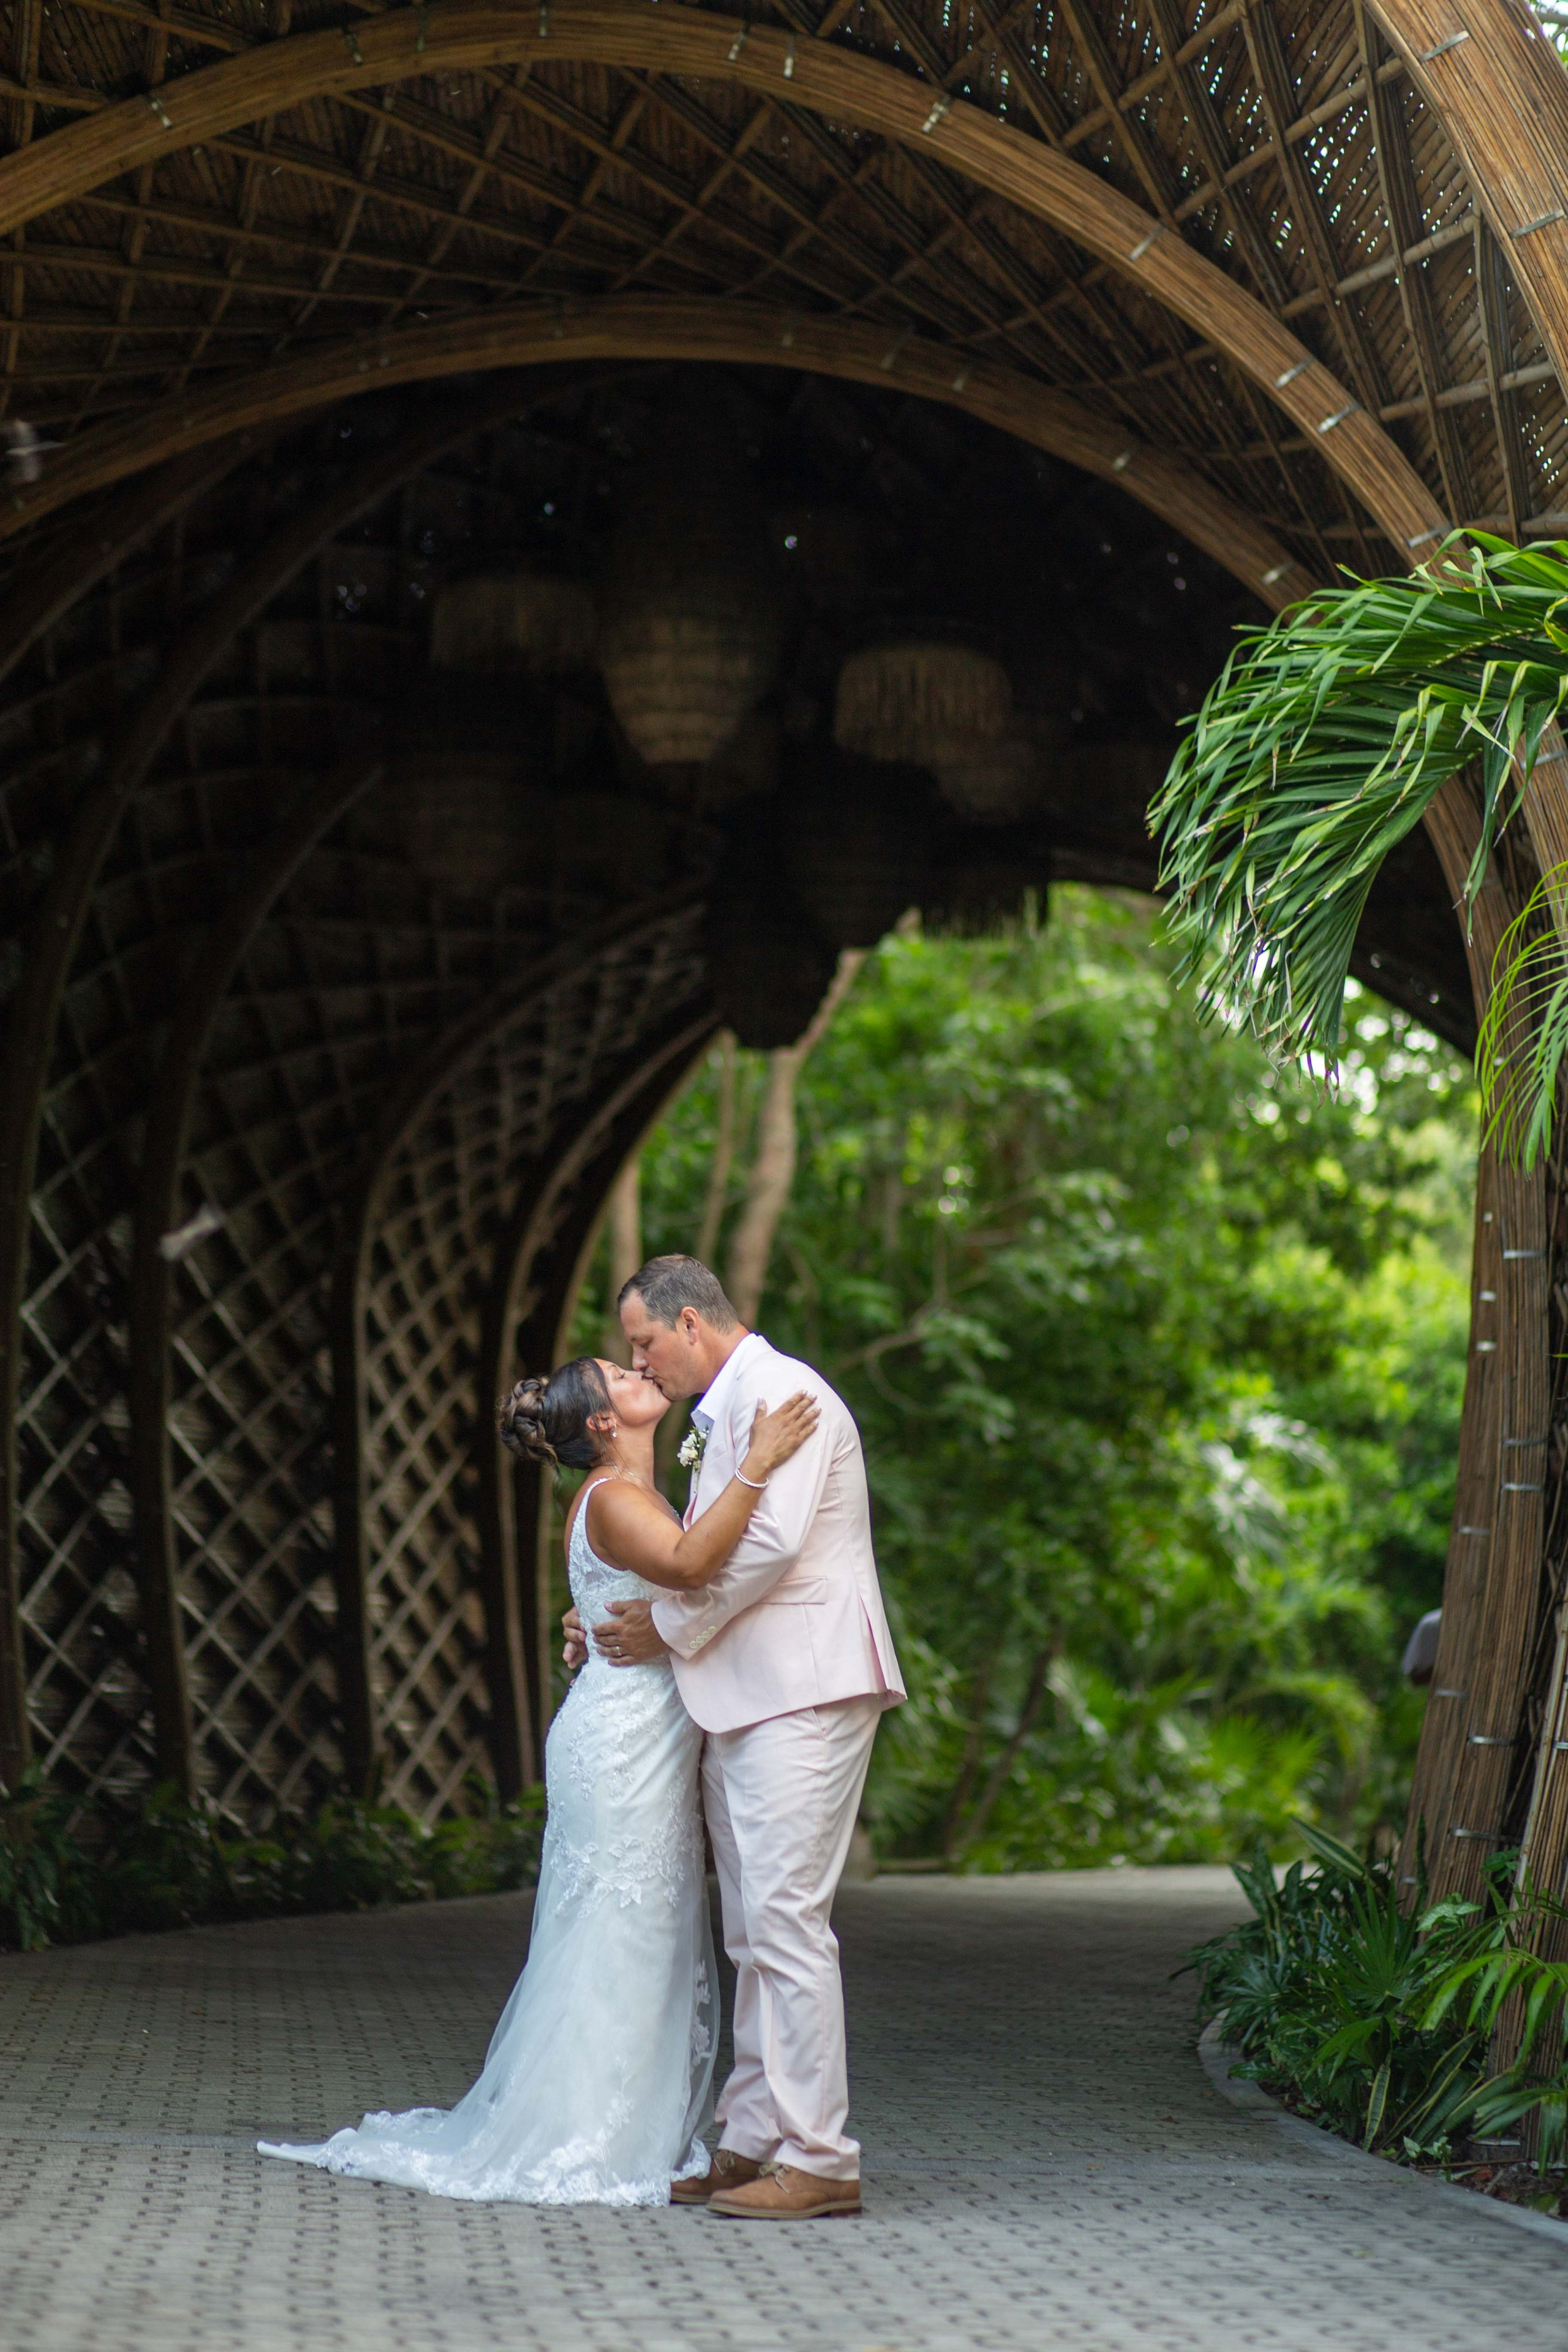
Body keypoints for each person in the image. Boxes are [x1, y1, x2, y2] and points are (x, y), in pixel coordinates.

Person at [257, 1352, 819, 2206]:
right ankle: (583, 2135)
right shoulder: (620, 1500)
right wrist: (761, 1458)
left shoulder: (623, 1495)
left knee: (639, 1931)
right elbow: (696, 1565)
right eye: (621, 1378)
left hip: (634, 1734)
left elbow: (646, 1589)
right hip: (623, 1742)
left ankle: (612, 2123)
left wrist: (586, 1621)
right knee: (615, 1935)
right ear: (604, 1422)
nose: (641, 1373)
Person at [569, 1253, 905, 2220]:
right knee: (752, 1926)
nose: (640, 1363)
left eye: (643, 1342)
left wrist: (664, 1631)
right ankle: (753, 2139)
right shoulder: (733, 1404)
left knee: (788, 1920)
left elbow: (763, 1548)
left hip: (802, 1684)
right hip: (750, 1691)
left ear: (688, 1323)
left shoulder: (782, 1393)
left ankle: (820, 2157)